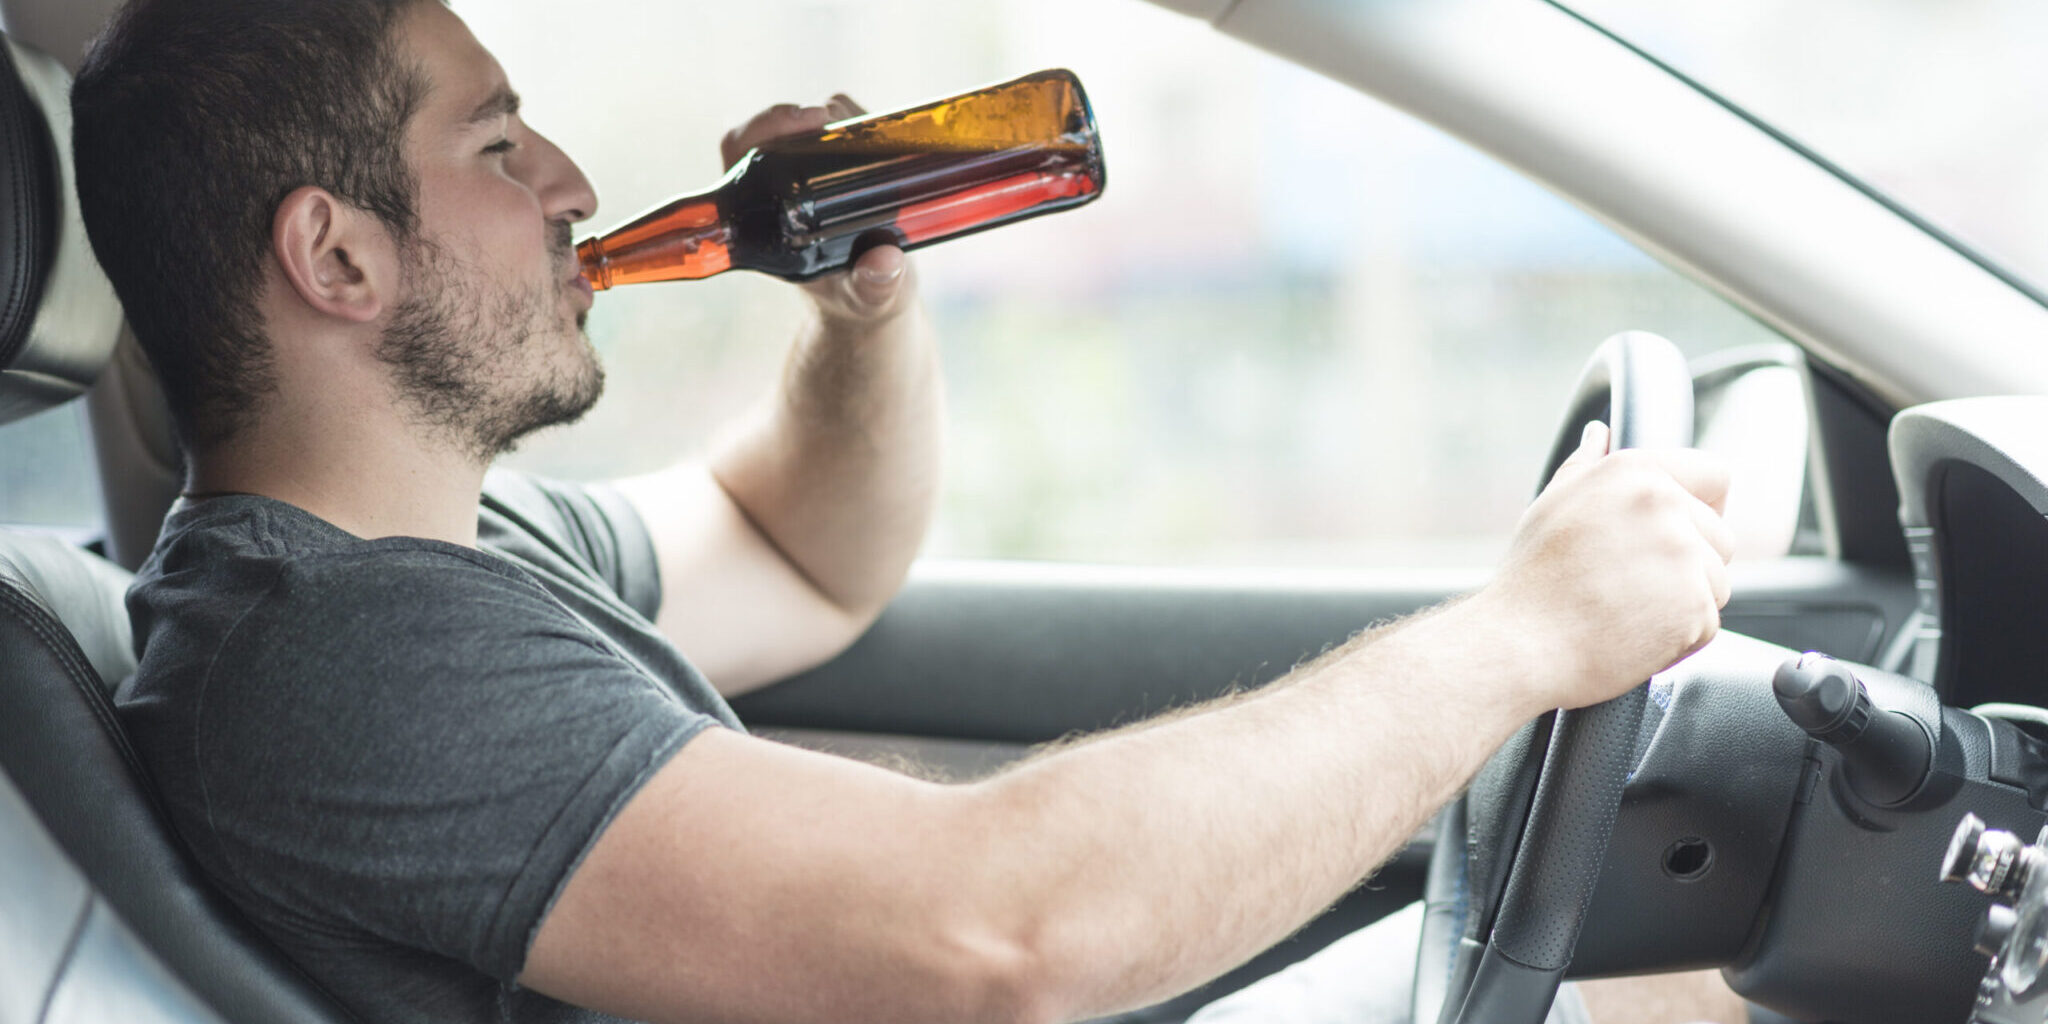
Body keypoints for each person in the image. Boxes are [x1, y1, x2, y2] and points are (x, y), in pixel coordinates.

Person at [70, 1, 1738, 1022]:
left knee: (1659, 941)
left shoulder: (448, 546)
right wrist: (1522, 636)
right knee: (1672, 967)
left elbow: (803, 555)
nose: (572, 185)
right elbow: (993, 938)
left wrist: (858, 319)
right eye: (498, 146)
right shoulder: (341, 657)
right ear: (338, 256)